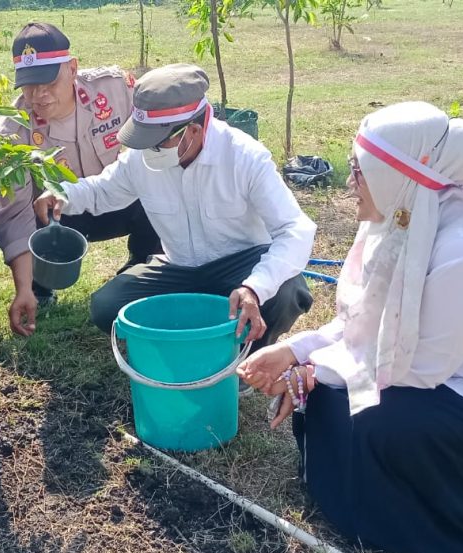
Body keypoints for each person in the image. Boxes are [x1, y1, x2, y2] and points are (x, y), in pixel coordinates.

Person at [236, 102, 463, 553]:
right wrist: (294, 350)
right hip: (453, 376)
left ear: (395, 173)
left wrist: (311, 372)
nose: (350, 183)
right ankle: (380, 496)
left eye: (360, 172)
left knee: (377, 421)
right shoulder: (412, 206)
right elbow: (367, 320)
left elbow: (417, 369)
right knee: (333, 399)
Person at [34, 64, 314, 350]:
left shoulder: (245, 158)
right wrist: (62, 194)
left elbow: (295, 229)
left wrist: (256, 286)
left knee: (286, 291)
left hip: (240, 266)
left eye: (157, 142)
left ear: (193, 130)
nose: (148, 151)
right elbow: (102, 190)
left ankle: (246, 356)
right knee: (108, 306)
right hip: (179, 268)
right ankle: (183, 342)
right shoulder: (140, 160)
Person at [0, 22, 161, 336]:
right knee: (19, 209)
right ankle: (39, 285)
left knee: (154, 179)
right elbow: (13, 215)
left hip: (117, 202)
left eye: (48, 82)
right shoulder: (12, 129)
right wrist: (23, 288)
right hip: (57, 219)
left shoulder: (115, 89)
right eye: (29, 85)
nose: (38, 96)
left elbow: (160, 136)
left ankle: (144, 264)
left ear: (72, 68)